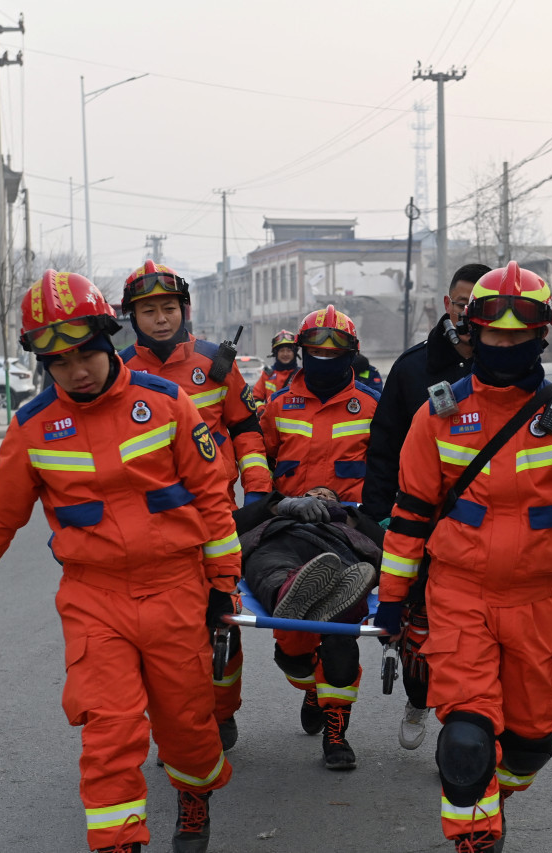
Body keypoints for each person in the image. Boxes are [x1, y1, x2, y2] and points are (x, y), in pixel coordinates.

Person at [372, 261, 552, 853]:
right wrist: (391, 600)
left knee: (532, 740)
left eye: (518, 334)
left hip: (534, 602)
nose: (505, 344)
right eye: (494, 333)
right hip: (459, 596)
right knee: (465, 740)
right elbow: (408, 519)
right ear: (474, 331)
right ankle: (475, 835)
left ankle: (491, 796)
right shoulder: (439, 416)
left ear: (541, 335)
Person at [0, 270, 240, 853]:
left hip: (176, 589)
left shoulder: (167, 403)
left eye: (86, 355)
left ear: (107, 340)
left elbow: (212, 498)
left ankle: (195, 792)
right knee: (109, 730)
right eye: (60, 363)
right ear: (43, 365)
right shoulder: (31, 430)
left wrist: (222, 584)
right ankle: (118, 843)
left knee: (188, 728)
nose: (76, 370)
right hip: (94, 597)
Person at [118, 259, 269, 751]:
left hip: (215, 519)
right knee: (163, 637)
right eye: (148, 311)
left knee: (221, 619)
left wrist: (260, 490)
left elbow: (247, 429)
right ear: (132, 318)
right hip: (148, 529)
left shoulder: (215, 365)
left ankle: (221, 713)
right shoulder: (117, 372)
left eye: (168, 308)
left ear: (184, 310)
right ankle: (180, 729)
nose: (160, 319)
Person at [362, 261, 490, 751]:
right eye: (462, 304)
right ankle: (418, 698)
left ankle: (464, 737)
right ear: (448, 305)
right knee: (417, 631)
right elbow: (384, 445)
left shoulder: (505, 371)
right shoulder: (413, 369)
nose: (468, 315)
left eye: (478, 307)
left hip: (480, 535)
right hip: (417, 523)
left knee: (469, 637)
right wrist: (377, 514)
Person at [257, 304, 380, 771]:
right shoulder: (277, 406)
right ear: (302, 353)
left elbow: (389, 476)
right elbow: (257, 469)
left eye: (336, 351)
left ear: (352, 354)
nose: (325, 359)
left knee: (341, 627)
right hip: (287, 523)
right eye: (315, 351)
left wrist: (352, 507)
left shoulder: (371, 406)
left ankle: (337, 731)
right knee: (291, 642)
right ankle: (309, 685)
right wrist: (274, 505)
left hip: (346, 529)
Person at [234, 487, 382, 623]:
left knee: (350, 575)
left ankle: (328, 602)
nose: (323, 495)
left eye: (330, 496)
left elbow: (385, 543)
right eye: (316, 491)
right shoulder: (280, 506)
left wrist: (351, 518)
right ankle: (288, 594)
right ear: (302, 496)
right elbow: (234, 523)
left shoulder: (350, 516)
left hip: (339, 548)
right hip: (279, 540)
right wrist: (279, 507)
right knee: (271, 567)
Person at [252, 329, 299, 402]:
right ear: (276, 353)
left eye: (289, 350)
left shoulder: (301, 375)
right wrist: (262, 411)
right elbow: (256, 397)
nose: (285, 354)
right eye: (282, 350)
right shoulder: (268, 375)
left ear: (294, 353)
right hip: (271, 413)